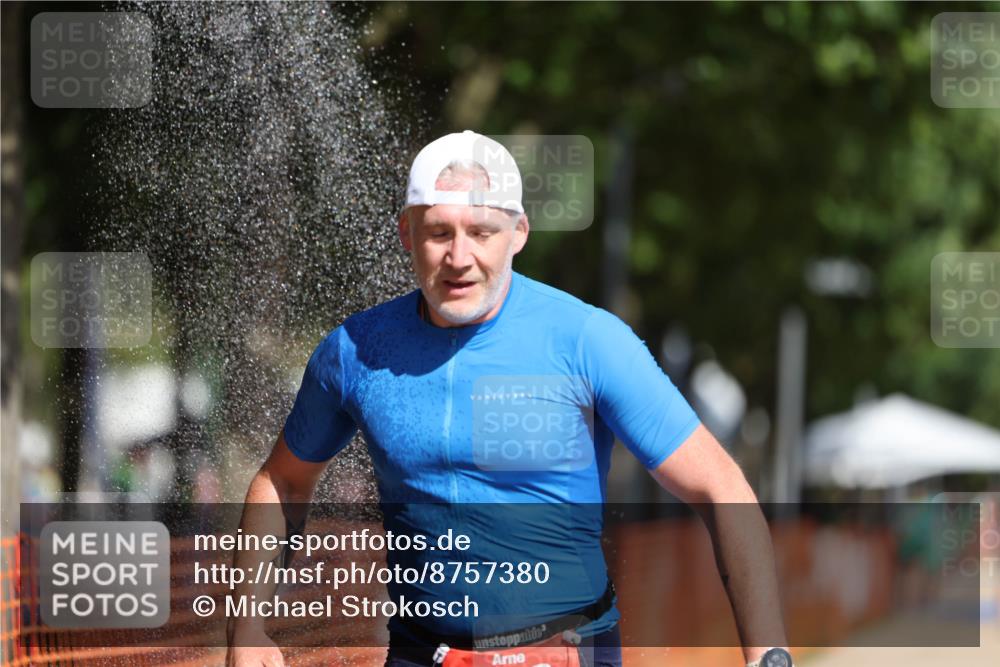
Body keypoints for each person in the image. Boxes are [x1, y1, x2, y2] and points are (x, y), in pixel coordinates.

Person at [226, 131, 791, 667]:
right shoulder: (355, 350)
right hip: (421, 651)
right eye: (439, 232)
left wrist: (768, 654)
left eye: (481, 232)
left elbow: (721, 487)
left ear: (519, 232)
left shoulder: (588, 340)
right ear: (406, 234)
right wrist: (246, 628)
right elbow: (284, 481)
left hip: (568, 647)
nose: (459, 256)